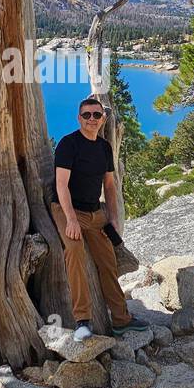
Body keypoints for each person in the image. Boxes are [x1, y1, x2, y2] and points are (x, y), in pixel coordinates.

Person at [51, 95, 147, 341]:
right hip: (67, 209)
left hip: (95, 213)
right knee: (74, 251)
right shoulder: (68, 144)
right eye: (86, 115)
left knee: (107, 260)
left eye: (96, 115)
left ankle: (121, 320)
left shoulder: (104, 147)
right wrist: (71, 220)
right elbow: (61, 185)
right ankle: (83, 320)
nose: (91, 119)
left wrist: (113, 219)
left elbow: (110, 186)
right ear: (79, 118)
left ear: (103, 118)